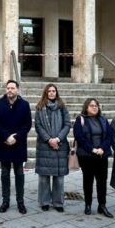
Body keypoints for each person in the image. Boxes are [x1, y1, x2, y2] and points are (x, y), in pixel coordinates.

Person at [0, 79, 32, 214]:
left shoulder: (24, 104)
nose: (10, 90)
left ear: (17, 90)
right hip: (3, 143)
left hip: (18, 144)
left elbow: (27, 124)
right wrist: (6, 136)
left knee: (19, 173)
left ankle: (20, 202)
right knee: (5, 174)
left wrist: (16, 137)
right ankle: (5, 201)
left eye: (12, 88)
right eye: (8, 88)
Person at [73, 97, 113, 217]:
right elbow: (79, 137)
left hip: (101, 155)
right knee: (88, 181)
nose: (94, 107)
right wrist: (92, 149)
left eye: (96, 105)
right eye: (91, 105)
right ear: (86, 107)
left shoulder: (103, 120)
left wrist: (102, 148)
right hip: (87, 155)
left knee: (102, 181)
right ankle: (88, 204)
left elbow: (109, 136)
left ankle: (102, 205)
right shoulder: (80, 120)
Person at [34, 83, 71, 212]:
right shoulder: (40, 107)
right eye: (49, 91)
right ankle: (44, 201)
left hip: (60, 145)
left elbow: (67, 124)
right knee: (44, 178)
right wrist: (49, 140)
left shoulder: (62, 107)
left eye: (53, 91)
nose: (51, 93)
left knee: (59, 178)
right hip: (44, 145)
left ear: (56, 93)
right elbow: (38, 126)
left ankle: (58, 202)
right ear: (46, 93)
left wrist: (57, 139)